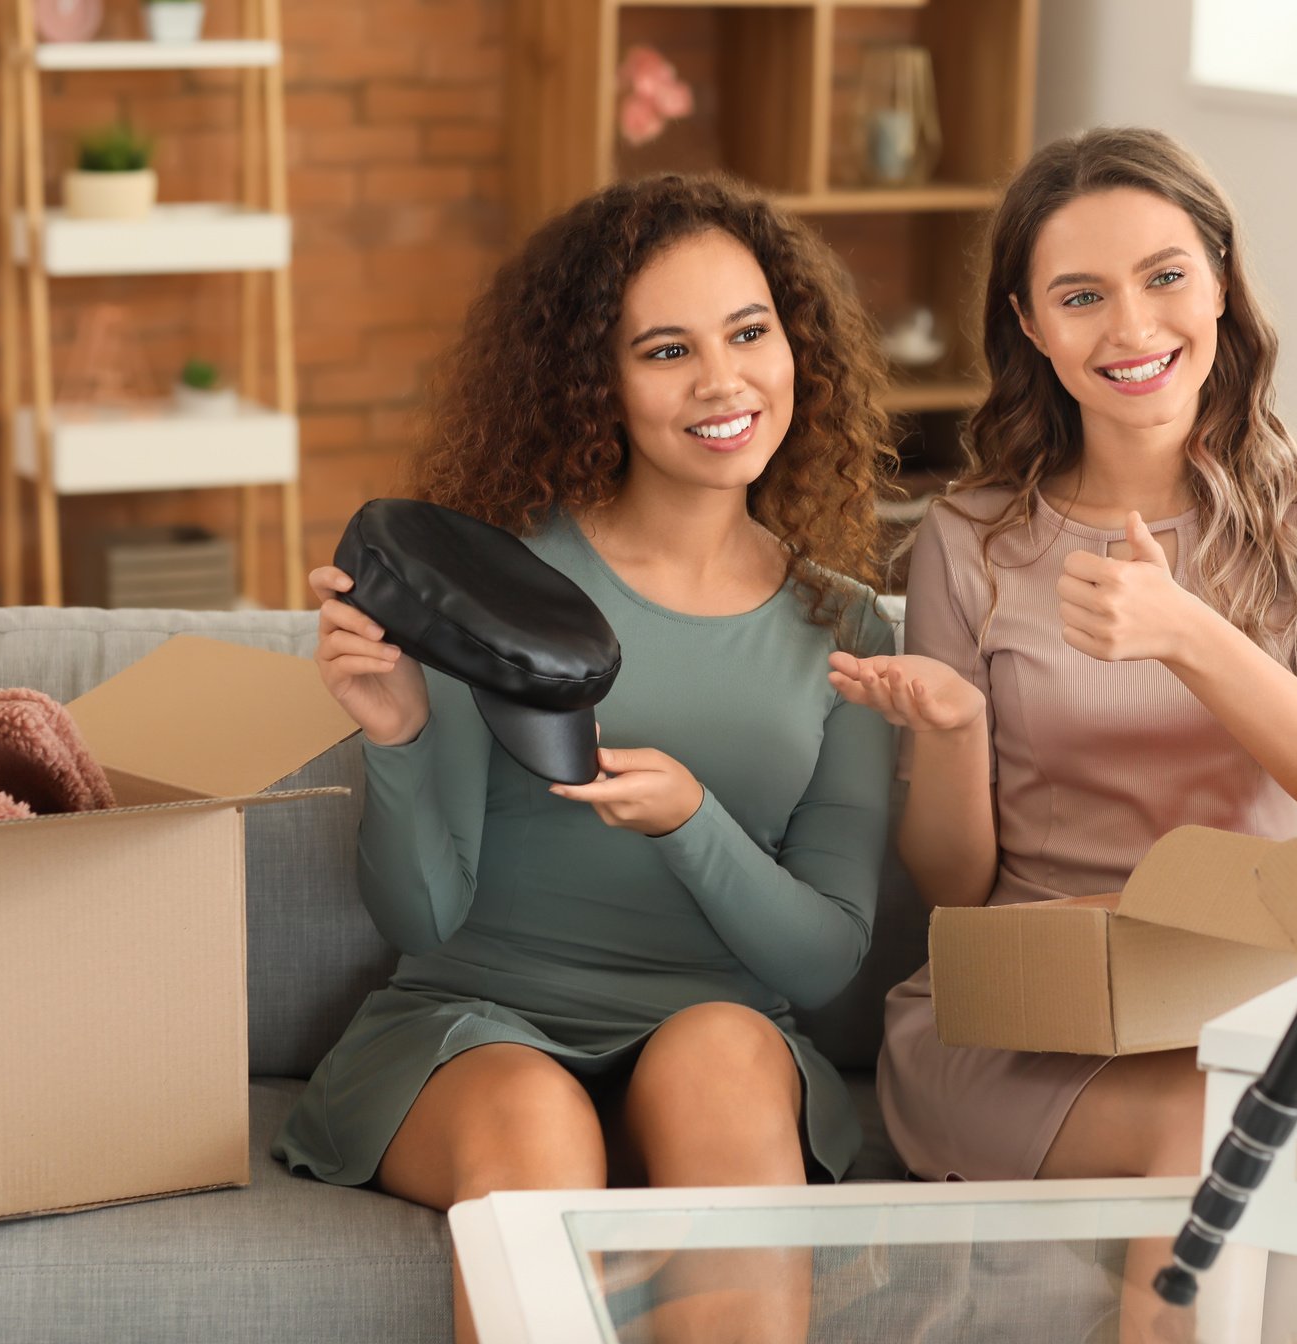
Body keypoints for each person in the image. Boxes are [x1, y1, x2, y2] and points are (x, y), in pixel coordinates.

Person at [273, 173, 899, 1344]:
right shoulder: (501, 590)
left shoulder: (849, 627)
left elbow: (823, 960)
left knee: (722, 1051)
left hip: (720, 1032)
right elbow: (423, 914)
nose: (724, 381)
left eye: (750, 332)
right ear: (596, 382)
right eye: (666, 350)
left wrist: (690, 824)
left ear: (795, 345)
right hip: (477, 1029)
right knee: (535, 1125)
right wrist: (398, 732)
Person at [831, 128, 1297, 1343]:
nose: (1132, 327)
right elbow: (954, 881)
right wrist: (948, 729)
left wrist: (1189, 635)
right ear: (1033, 326)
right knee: (1210, 1132)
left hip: (1243, 996)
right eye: (1081, 296)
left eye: (1164, 277)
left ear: (1219, 281)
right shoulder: (972, 536)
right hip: (1028, 1006)